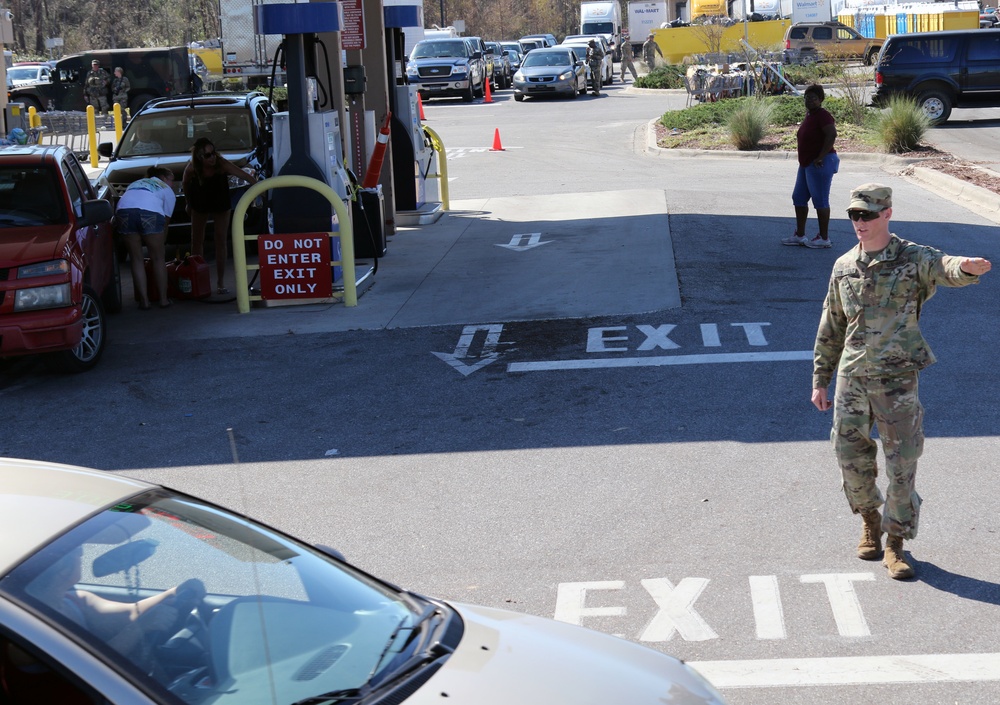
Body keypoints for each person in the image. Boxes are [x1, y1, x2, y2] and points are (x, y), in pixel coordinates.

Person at [811, 182, 992, 580]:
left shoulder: (911, 257)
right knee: (850, 458)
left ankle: (896, 542)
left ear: (887, 214)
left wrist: (965, 267)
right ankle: (870, 521)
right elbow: (832, 324)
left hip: (896, 379)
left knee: (902, 463)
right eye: (854, 215)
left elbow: (944, 266)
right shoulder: (843, 266)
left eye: (868, 215)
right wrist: (820, 379)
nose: (860, 222)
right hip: (851, 377)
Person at [183, 137, 257, 295]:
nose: (212, 157)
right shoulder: (192, 168)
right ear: (199, 157)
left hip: (220, 202)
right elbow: (185, 183)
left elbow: (244, 176)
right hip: (200, 202)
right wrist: (188, 203)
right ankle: (199, 280)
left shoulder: (221, 164)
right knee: (196, 241)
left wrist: (259, 190)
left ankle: (220, 282)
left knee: (221, 240)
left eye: (213, 153)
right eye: (207, 155)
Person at [781, 83, 839, 249]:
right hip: (806, 163)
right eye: (807, 98)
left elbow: (832, 135)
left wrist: (820, 157)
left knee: (820, 200)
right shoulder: (810, 115)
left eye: (813, 98)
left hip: (820, 163)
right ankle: (800, 235)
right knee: (798, 198)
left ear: (820, 100)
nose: (810, 101)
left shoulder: (823, 115)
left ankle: (824, 238)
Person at [116, 166, 176, 310]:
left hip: (123, 211)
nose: (172, 184)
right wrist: (162, 242)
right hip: (150, 212)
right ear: (163, 178)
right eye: (171, 179)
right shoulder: (167, 190)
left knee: (136, 259)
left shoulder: (136, 183)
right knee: (158, 258)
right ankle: (163, 300)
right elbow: (165, 222)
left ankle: (144, 301)